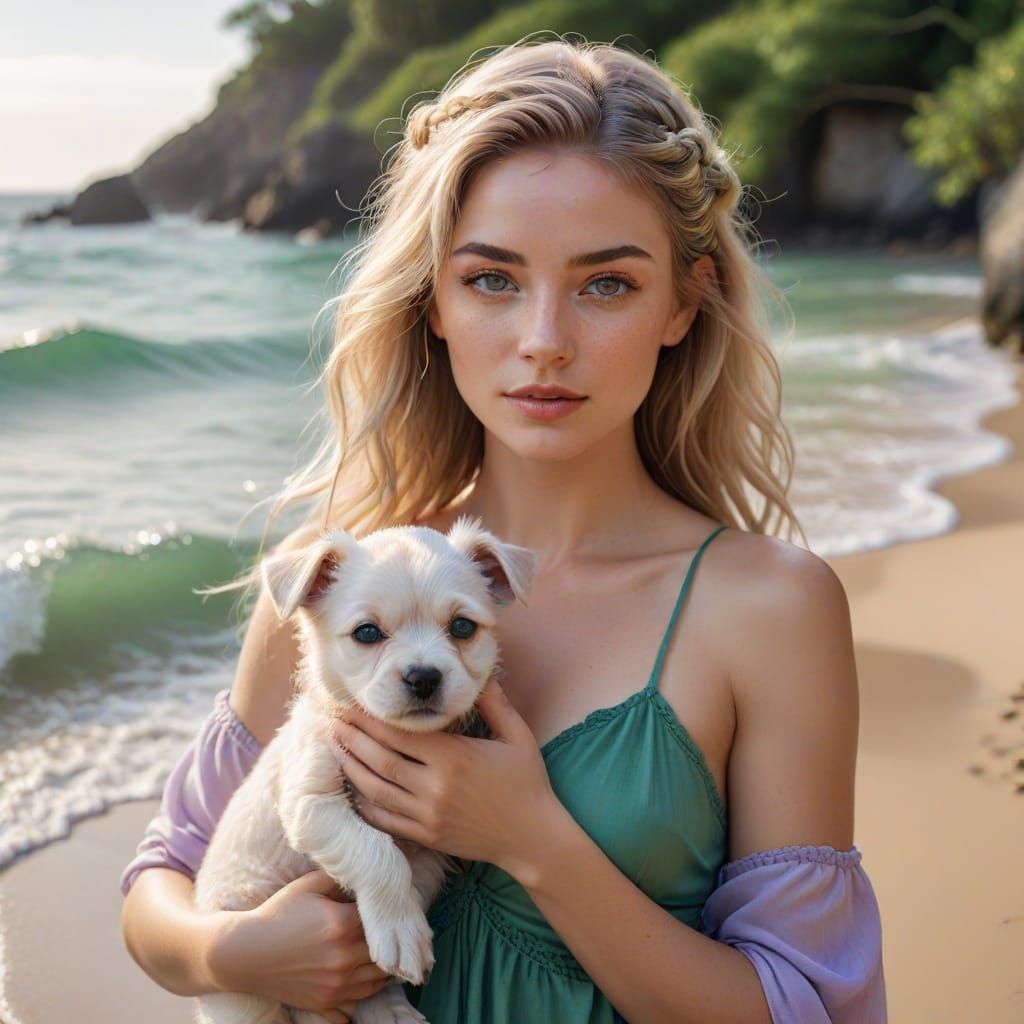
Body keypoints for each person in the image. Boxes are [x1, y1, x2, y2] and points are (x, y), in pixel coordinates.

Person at [120, 34, 887, 1024]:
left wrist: (534, 838)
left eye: (605, 282)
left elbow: (806, 1008)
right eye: (492, 278)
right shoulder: (343, 592)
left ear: (681, 302)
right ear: (433, 298)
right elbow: (165, 882)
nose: (543, 340)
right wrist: (239, 949)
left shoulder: (768, 607)